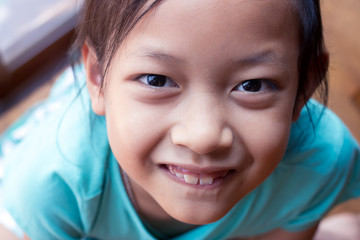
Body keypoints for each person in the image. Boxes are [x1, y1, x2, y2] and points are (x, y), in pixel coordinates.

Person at [1, 0, 359, 239]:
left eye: (253, 85)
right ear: (97, 78)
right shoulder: (51, 182)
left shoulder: (322, 160)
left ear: (304, 86)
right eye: (157, 80)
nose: (203, 136)